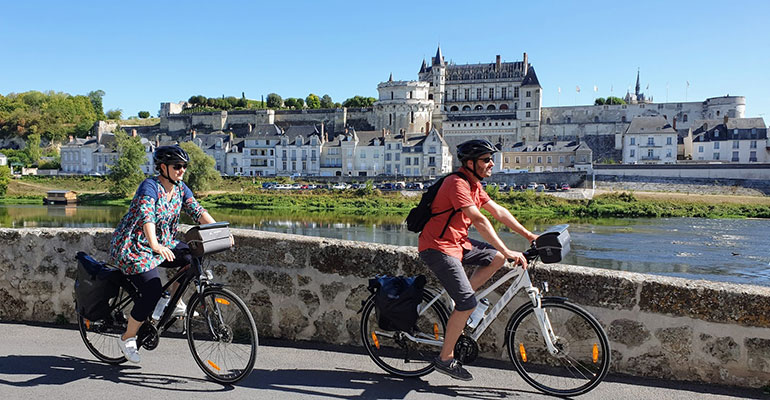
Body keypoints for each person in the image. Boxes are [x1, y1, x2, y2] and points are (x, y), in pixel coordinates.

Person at [418, 139, 538, 381]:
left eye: (490, 158)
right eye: (486, 159)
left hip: (459, 244)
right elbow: (480, 220)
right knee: (467, 303)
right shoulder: (456, 183)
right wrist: (507, 250)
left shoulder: (474, 185)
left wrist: (529, 235)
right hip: (438, 248)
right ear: (470, 163)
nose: (492, 163)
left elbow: (498, 211)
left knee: (495, 259)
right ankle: (445, 359)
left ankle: (462, 300)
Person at [110, 144, 218, 363]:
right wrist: (155, 245)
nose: (181, 170)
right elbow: (146, 216)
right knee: (151, 290)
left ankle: (173, 303)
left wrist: (219, 231)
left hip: (163, 242)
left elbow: (197, 211)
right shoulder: (149, 186)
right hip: (135, 246)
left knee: (191, 255)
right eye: (177, 166)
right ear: (162, 167)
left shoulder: (180, 188)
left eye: (184, 166)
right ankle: (128, 337)